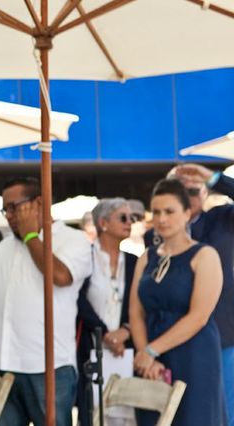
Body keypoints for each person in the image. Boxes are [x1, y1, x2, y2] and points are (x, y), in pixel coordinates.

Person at [0, 177, 92, 426]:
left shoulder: (75, 240)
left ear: (39, 203)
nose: (9, 215)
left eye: (14, 207)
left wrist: (31, 236)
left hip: (47, 368)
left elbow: (60, 277)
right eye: (5, 209)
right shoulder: (3, 246)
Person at [129, 178, 225, 426]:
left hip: (193, 353)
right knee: (152, 418)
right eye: (157, 212)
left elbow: (199, 316)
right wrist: (144, 355)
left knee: (193, 418)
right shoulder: (146, 257)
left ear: (187, 213)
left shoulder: (205, 255)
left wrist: (152, 350)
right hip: (149, 356)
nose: (161, 219)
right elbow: (136, 312)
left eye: (169, 211)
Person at [164, 163, 234, 424]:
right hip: (174, 336)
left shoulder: (221, 219)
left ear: (205, 194)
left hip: (221, 334)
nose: (187, 198)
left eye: (194, 191)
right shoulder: (156, 237)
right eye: (180, 191)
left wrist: (213, 177)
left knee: (226, 410)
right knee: (183, 412)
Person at [76, 198, 138, 426]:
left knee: (125, 413)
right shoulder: (85, 257)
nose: (130, 222)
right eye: (123, 217)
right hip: (91, 349)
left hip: (125, 351)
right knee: (92, 413)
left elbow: (141, 302)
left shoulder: (134, 261)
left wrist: (125, 331)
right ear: (103, 223)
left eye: (132, 218)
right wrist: (103, 332)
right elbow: (77, 299)